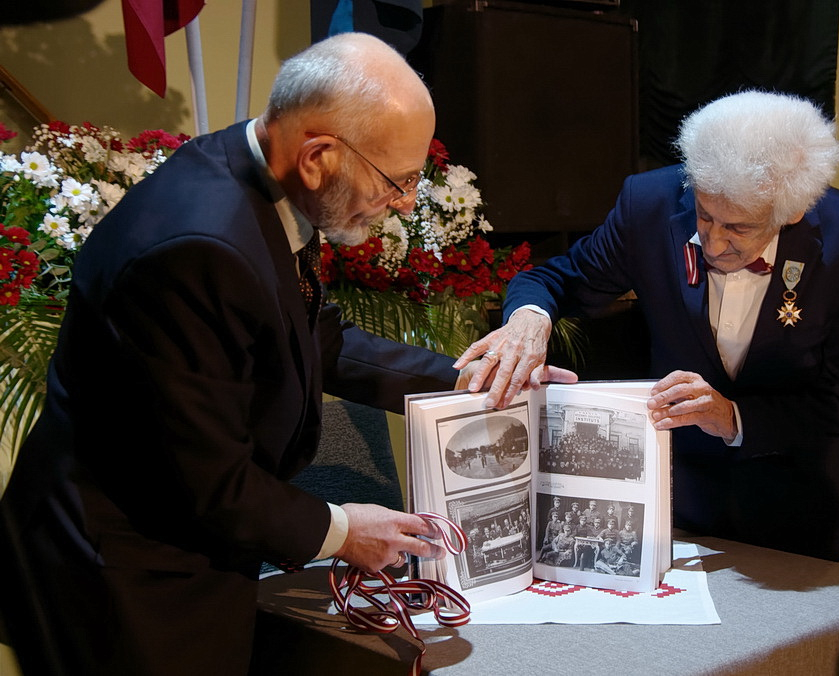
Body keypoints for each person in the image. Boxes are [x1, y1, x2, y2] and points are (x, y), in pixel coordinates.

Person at [0, 34, 573, 675]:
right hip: (120, 568)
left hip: (184, 534)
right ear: (318, 157)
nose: (407, 202)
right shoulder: (197, 248)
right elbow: (208, 480)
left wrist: (466, 378)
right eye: (397, 180)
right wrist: (342, 531)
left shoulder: (259, 175)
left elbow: (315, 337)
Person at [455, 90, 839, 562]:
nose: (713, 242)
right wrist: (529, 320)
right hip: (678, 502)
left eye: (738, 228)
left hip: (798, 505)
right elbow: (555, 279)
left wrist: (733, 418)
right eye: (705, 215)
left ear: (792, 212)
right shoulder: (651, 205)